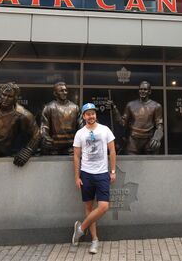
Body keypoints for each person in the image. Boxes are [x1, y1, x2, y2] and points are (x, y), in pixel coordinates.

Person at [71, 103, 116, 254]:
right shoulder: (80, 133)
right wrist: (77, 177)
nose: (91, 116)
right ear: (83, 116)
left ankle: (80, 229)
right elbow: (76, 156)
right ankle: (94, 240)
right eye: (87, 114)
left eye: (93, 113)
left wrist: (113, 170)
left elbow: (112, 151)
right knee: (89, 208)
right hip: (86, 174)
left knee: (103, 206)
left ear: (96, 115)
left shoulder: (105, 130)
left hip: (102, 173)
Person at [109, 81, 163, 154]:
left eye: (145, 89)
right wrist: (114, 109)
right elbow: (122, 122)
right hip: (133, 140)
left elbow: (159, 125)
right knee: (131, 163)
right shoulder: (130, 105)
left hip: (149, 140)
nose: (142, 91)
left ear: (149, 91)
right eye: (140, 89)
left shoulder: (156, 106)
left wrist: (157, 137)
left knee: (151, 164)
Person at [40, 82, 81, 155]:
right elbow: (44, 127)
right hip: (54, 148)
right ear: (55, 93)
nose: (64, 92)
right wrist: (46, 138)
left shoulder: (75, 107)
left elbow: (81, 127)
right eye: (61, 91)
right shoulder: (49, 107)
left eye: (66, 90)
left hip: (71, 147)